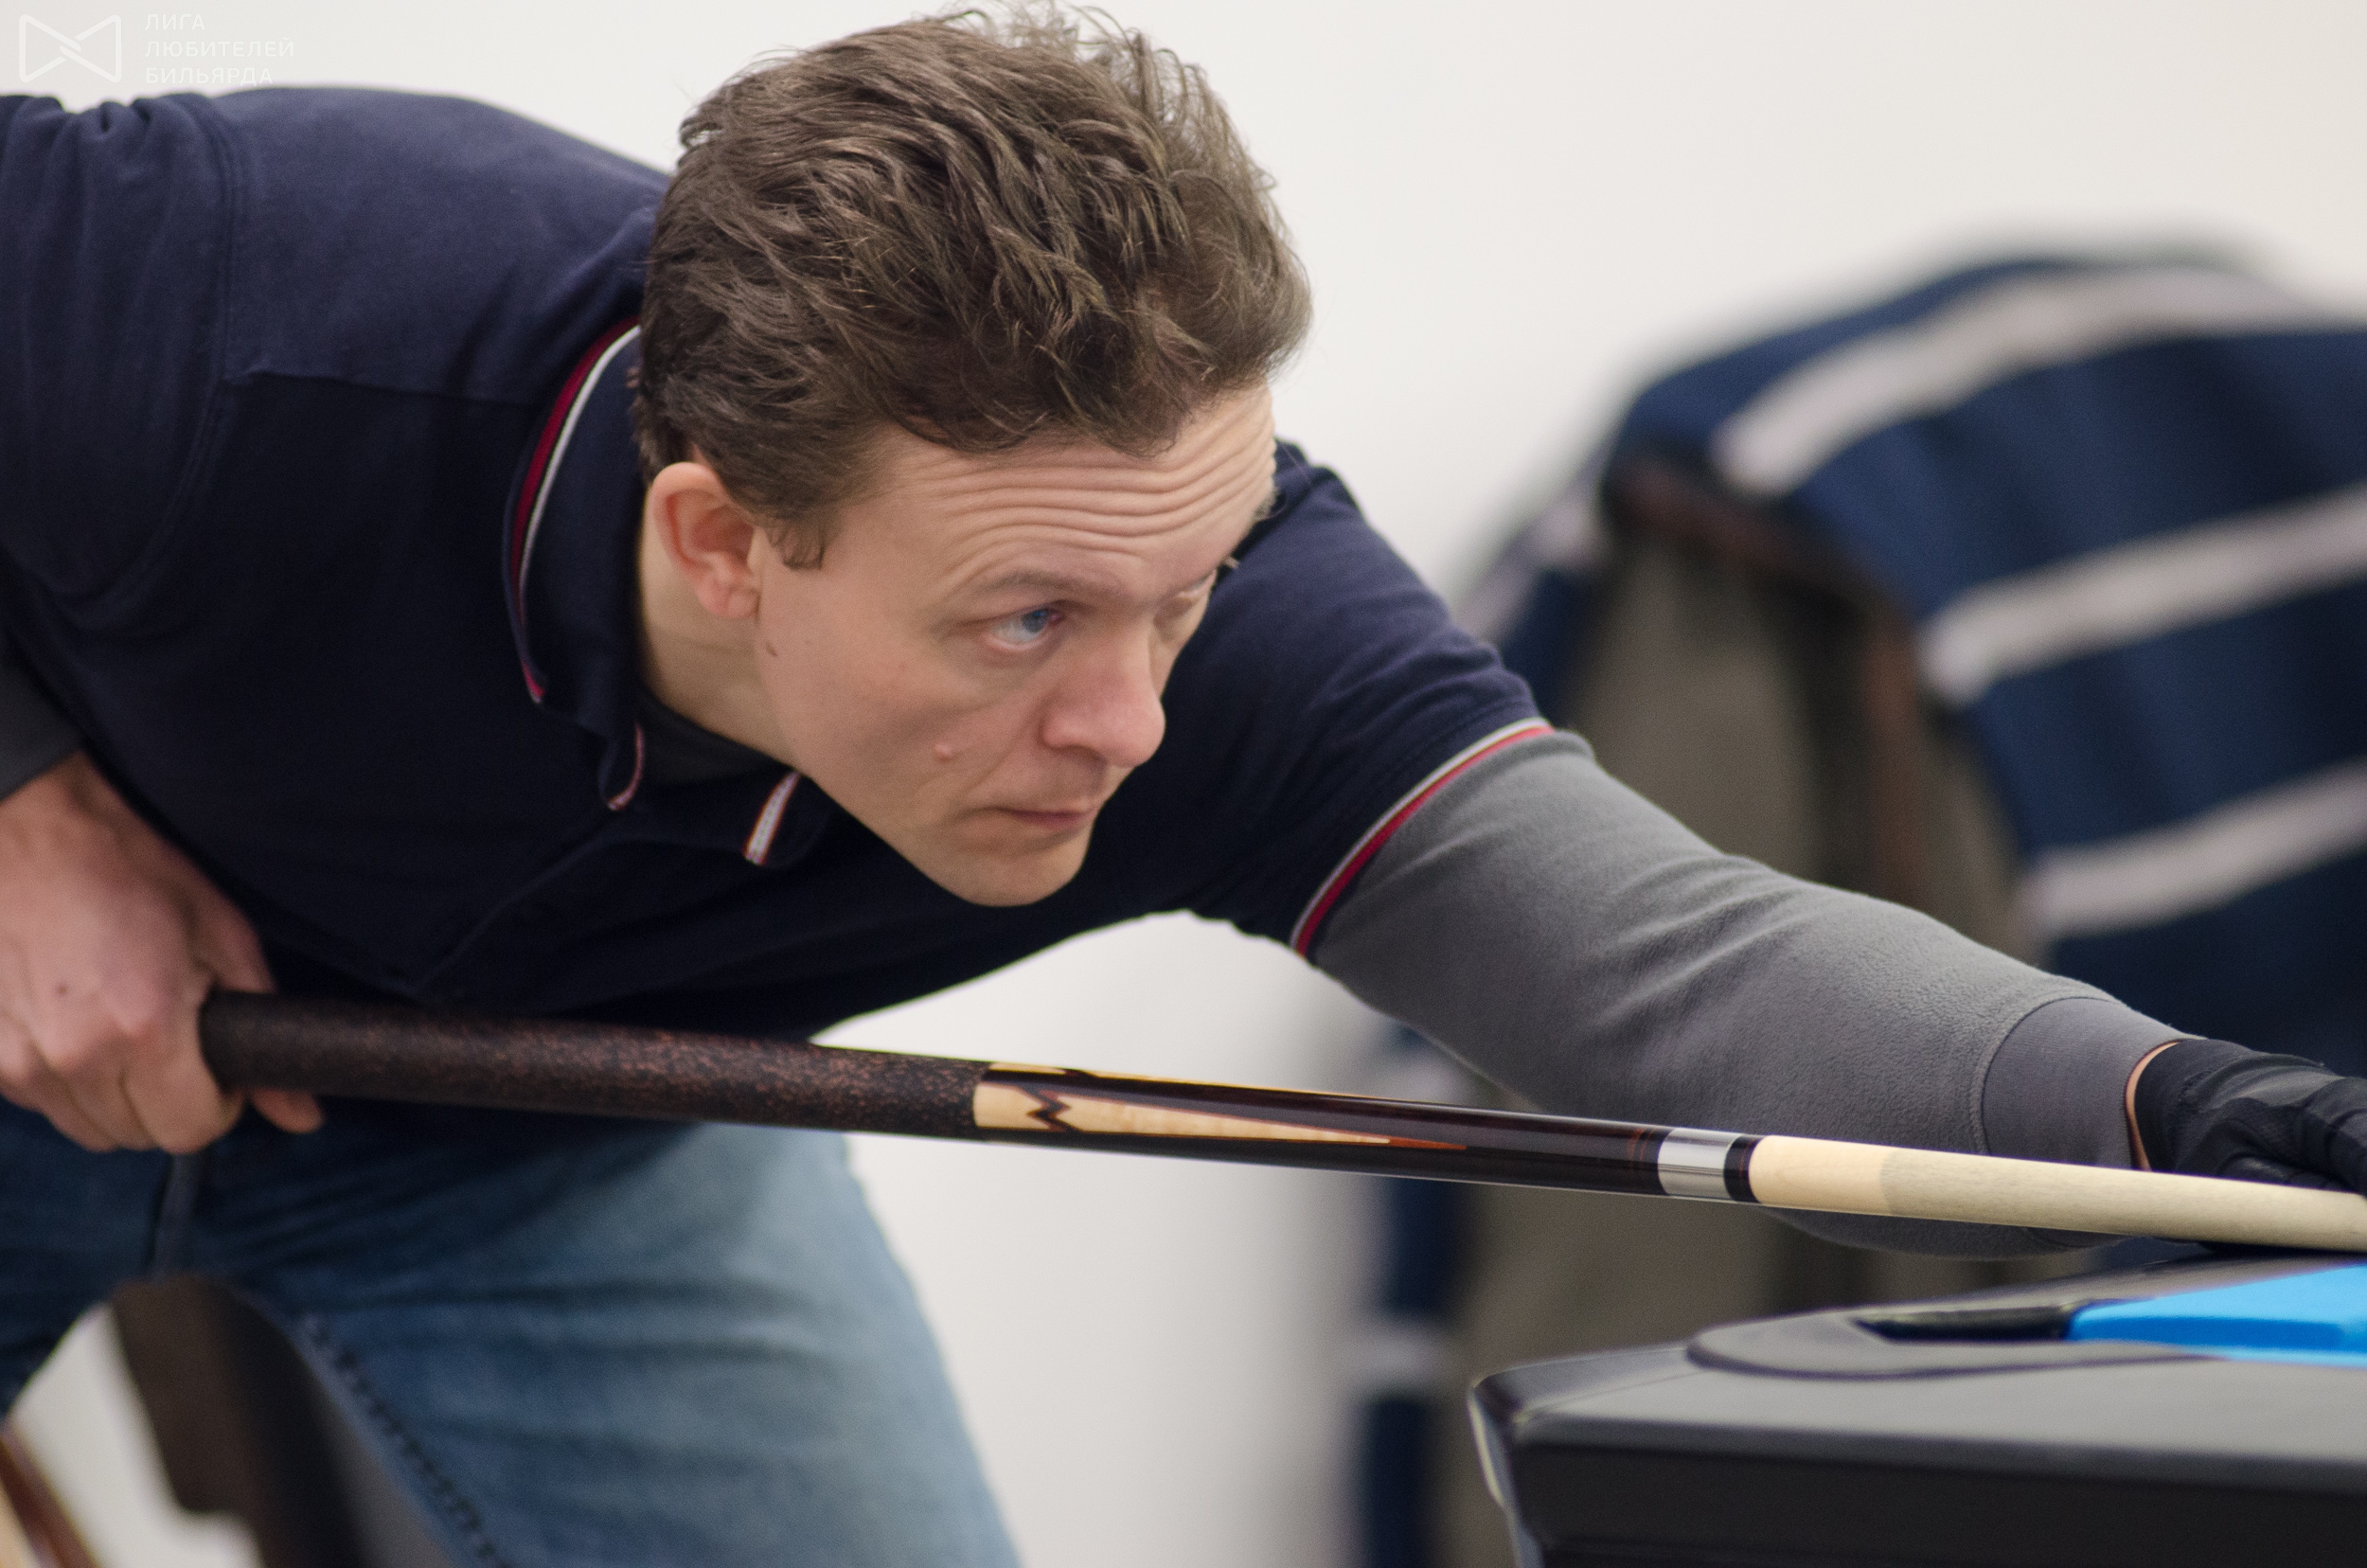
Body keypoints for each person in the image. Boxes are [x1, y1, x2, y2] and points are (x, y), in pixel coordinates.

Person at [2, 9, 2362, 1564]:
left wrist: (2200, 1112)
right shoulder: (225, 300)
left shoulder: (1219, 651)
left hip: (566, 1140)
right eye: (1022, 621)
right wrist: (23, 803)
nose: (1132, 725)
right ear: (722, 541)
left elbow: (1669, 965)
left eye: (1187, 588)